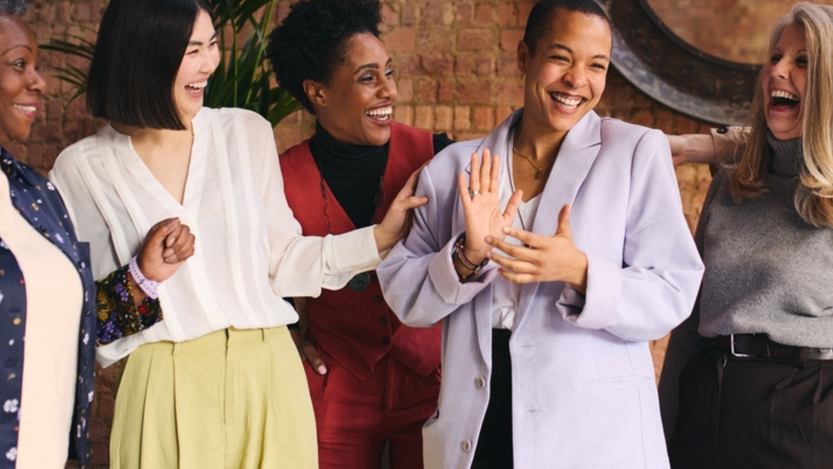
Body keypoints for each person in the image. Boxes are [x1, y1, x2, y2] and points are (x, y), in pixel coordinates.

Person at [48, 0, 424, 467]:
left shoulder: (245, 133)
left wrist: (380, 239)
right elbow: (87, 324)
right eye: (193, 50)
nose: (210, 63)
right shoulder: (81, 169)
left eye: (211, 45)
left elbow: (282, 262)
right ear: (144, 52)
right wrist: (143, 275)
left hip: (269, 373)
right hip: (164, 383)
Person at [377, 0, 704, 467]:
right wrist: (467, 257)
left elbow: (673, 291)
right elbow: (405, 298)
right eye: (560, 58)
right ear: (523, 56)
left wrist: (581, 271)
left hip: (592, 431)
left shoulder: (635, 153)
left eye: (596, 65)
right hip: (479, 421)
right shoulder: (454, 168)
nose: (577, 80)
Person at [266, 0, 449, 467]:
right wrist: (289, 336)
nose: (389, 90)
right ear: (318, 92)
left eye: (389, 73)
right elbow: (263, 278)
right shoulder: (280, 177)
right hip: (336, 382)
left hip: (430, 379)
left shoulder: (435, 154)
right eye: (369, 78)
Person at [659, 3, 833, 468]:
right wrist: (658, 435)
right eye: (775, 57)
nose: (777, 70)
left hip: (802, 422)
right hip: (704, 413)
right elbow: (687, 326)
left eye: (802, 61)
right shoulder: (732, 182)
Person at [0, 2, 96, 467]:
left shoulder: (37, 195)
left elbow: (78, 329)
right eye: (19, 64)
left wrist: (145, 278)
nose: (40, 82)